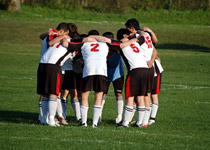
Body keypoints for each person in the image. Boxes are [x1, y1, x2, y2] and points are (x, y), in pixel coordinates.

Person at [125, 18, 158, 127]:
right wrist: (152, 60)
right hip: (150, 66)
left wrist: (127, 38)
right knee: (146, 94)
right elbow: (154, 50)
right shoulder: (146, 34)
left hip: (143, 67)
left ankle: (141, 121)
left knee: (142, 95)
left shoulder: (137, 37)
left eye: (128, 30)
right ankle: (144, 121)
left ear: (132, 28)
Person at [37, 23, 70, 126]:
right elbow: (51, 41)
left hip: (43, 64)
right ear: (62, 31)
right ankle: (52, 119)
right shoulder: (58, 38)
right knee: (53, 93)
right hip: (52, 66)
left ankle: (44, 118)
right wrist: (63, 36)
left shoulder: (52, 36)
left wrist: (50, 33)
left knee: (45, 94)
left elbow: (43, 36)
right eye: (67, 33)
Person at [99, 32, 125, 124]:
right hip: (105, 73)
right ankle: (99, 115)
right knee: (102, 94)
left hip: (117, 74)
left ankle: (119, 116)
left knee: (119, 93)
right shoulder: (101, 49)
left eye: (111, 39)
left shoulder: (117, 49)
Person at [149, 55, 163, 125]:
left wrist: (153, 61)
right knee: (146, 94)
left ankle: (152, 119)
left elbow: (157, 57)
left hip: (155, 71)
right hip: (146, 72)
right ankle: (145, 118)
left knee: (153, 94)